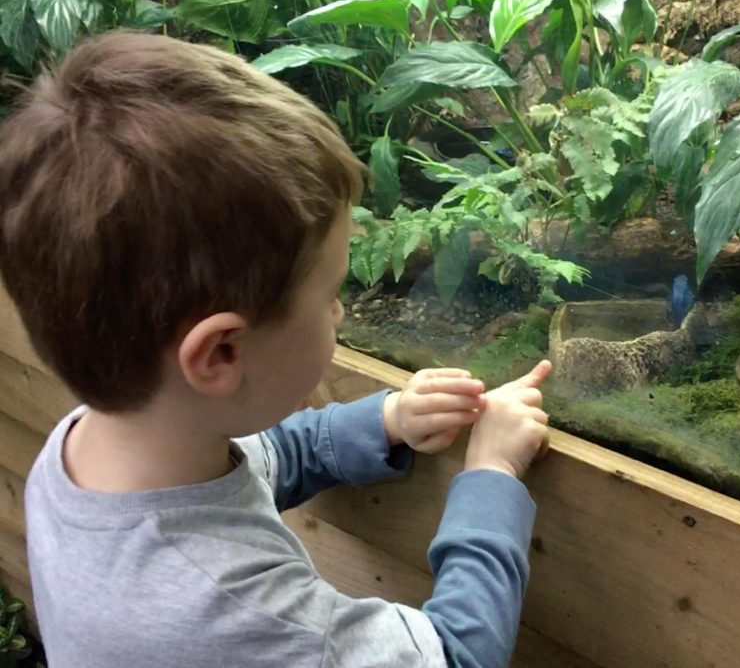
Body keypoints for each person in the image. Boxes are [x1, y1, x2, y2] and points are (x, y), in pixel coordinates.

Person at [0, 32, 553, 668]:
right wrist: (491, 476)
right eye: (330, 294)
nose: (342, 312)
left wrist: (389, 420)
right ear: (221, 355)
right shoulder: (247, 616)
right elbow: (460, 657)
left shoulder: (81, 456)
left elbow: (271, 457)